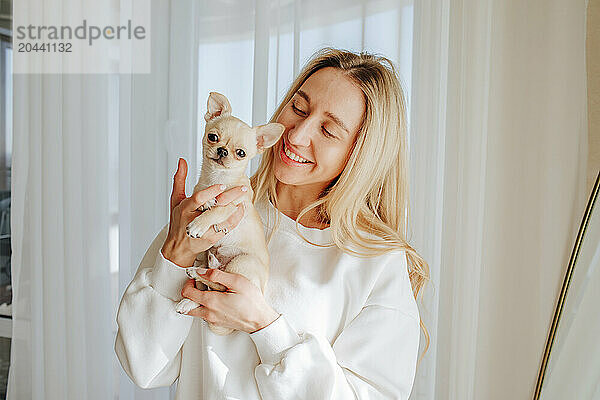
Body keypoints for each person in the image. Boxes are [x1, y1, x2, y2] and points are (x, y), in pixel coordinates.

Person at [114, 47, 429, 399]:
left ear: (359, 152)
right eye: (298, 107)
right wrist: (174, 256)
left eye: (327, 130)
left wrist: (264, 326)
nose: (296, 135)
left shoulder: (376, 261)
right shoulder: (213, 211)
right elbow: (141, 365)